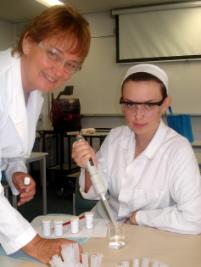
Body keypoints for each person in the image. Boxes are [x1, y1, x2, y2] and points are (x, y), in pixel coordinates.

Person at [0, 4, 90, 263]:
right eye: (53, 54)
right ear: (28, 42)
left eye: (71, 64)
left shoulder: (34, 90)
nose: (60, 71)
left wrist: (15, 170)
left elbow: (8, 147)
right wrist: (37, 244)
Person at [72, 64, 201, 234]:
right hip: (104, 227)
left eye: (148, 105)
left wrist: (139, 218)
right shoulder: (116, 138)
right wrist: (89, 165)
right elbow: (94, 194)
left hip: (151, 235)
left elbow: (194, 219)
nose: (138, 115)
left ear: (164, 105)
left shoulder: (177, 150)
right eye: (130, 104)